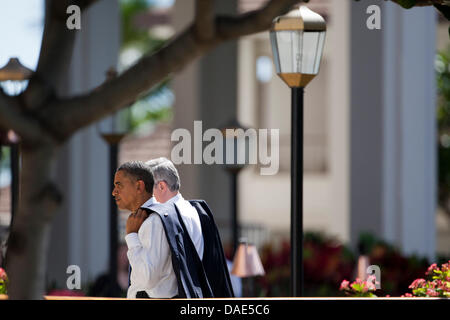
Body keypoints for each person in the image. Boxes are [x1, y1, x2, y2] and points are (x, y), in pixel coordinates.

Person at [144, 158, 234, 298]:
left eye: (147, 189)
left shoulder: (164, 217)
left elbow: (155, 279)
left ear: (161, 186)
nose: (144, 196)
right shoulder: (195, 210)